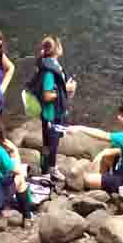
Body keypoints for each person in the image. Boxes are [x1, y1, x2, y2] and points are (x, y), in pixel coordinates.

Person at [33, 35, 77, 177]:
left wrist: (64, 87)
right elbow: (47, 95)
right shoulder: (49, 72)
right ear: (57, 49)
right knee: (49, 144)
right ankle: (45, 172)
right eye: (61, 45)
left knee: (54, 142)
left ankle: (51, 167)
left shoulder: (53, 66)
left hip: (56, 112)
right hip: (50, 114)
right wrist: (66, 89)